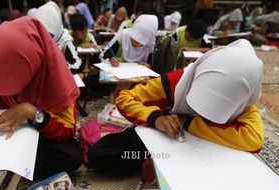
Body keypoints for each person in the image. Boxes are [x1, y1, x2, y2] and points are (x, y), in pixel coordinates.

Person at [88, 39, 264, 176]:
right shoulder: (178, 82)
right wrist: (156, 119)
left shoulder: (244, 101)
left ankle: (163, 165)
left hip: (206, 151)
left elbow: (254, 139)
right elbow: (126, 97)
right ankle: (151, 161)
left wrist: (186, 122)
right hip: (164, 138)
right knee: (100, 154)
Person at [0, 16, 83, 179]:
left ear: (33, 62)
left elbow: (67, 130)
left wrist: (30, 111)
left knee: (71, 155)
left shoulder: (58, 81)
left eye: (11, 76)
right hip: (2, 133)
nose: (2, 83)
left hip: (35, 134)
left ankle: (15, 166)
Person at [35, 1, 82, 74]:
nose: (45, 39)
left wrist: (60, 67)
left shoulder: (65, 40)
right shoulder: (35, 39)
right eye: (40, 33)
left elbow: (77, 64)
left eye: (49, 35)